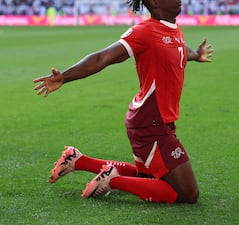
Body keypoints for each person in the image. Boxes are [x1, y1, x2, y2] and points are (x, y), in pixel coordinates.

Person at [33, 0, 213, 204]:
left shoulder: (172, 28)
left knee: (145, 178)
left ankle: (77, 159)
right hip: (151, 122)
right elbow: (103, 57)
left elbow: (178, 48)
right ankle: (114, 179)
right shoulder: (145, 32)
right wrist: (64, 77)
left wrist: (196, 55)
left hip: (152, 119)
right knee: (187, 194)